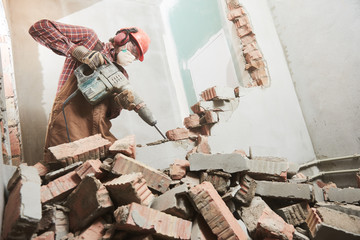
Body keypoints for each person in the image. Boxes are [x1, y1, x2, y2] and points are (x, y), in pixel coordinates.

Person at [29, 19, 150, 163]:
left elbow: (109, 115)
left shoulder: (122, 76)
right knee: (64, 168)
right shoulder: (89, 41)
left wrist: (118, 103)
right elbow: (38, 28)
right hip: (69, 123)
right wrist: (76, 51)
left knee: (121, 164)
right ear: (121, 39)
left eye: (136, 57)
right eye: (133, 51)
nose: (132, 58)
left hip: (97, 134)